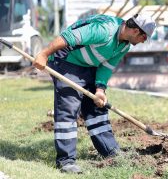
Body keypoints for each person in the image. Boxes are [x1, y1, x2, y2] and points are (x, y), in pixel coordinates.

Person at [33, 13, 156, 174]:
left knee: (97, 107)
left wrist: (100, 90)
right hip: (67, 60)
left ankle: (110, 152)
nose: (143, 41)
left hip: (88, 65)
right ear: (136, 31)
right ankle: (66, 161)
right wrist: (43, 54)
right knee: (69, 108)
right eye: (144, 37)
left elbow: (106, 66)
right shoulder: (105, 29)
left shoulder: (124, 45)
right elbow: (69, 37)